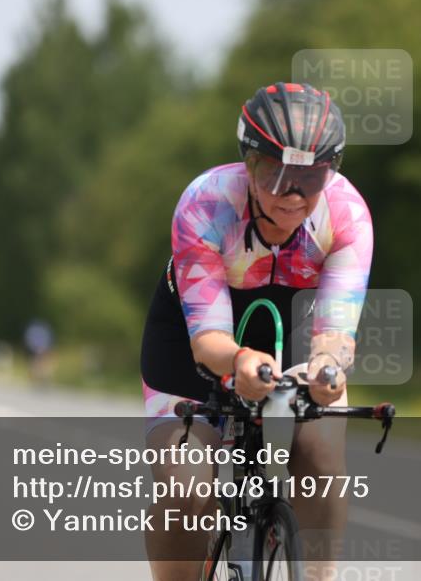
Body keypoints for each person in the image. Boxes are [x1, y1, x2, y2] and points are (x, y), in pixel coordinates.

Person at [140, 82, 373, 580]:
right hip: (194, 337)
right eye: (275, 174)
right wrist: (239, 361)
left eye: (311, 178)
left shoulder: (347, 214)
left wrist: (328, 367)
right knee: (187, 489)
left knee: (322, 464)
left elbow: (335, 333)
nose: (293, 195)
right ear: (248, 164)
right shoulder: (207, 203)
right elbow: (209, 342)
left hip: (294, 329)